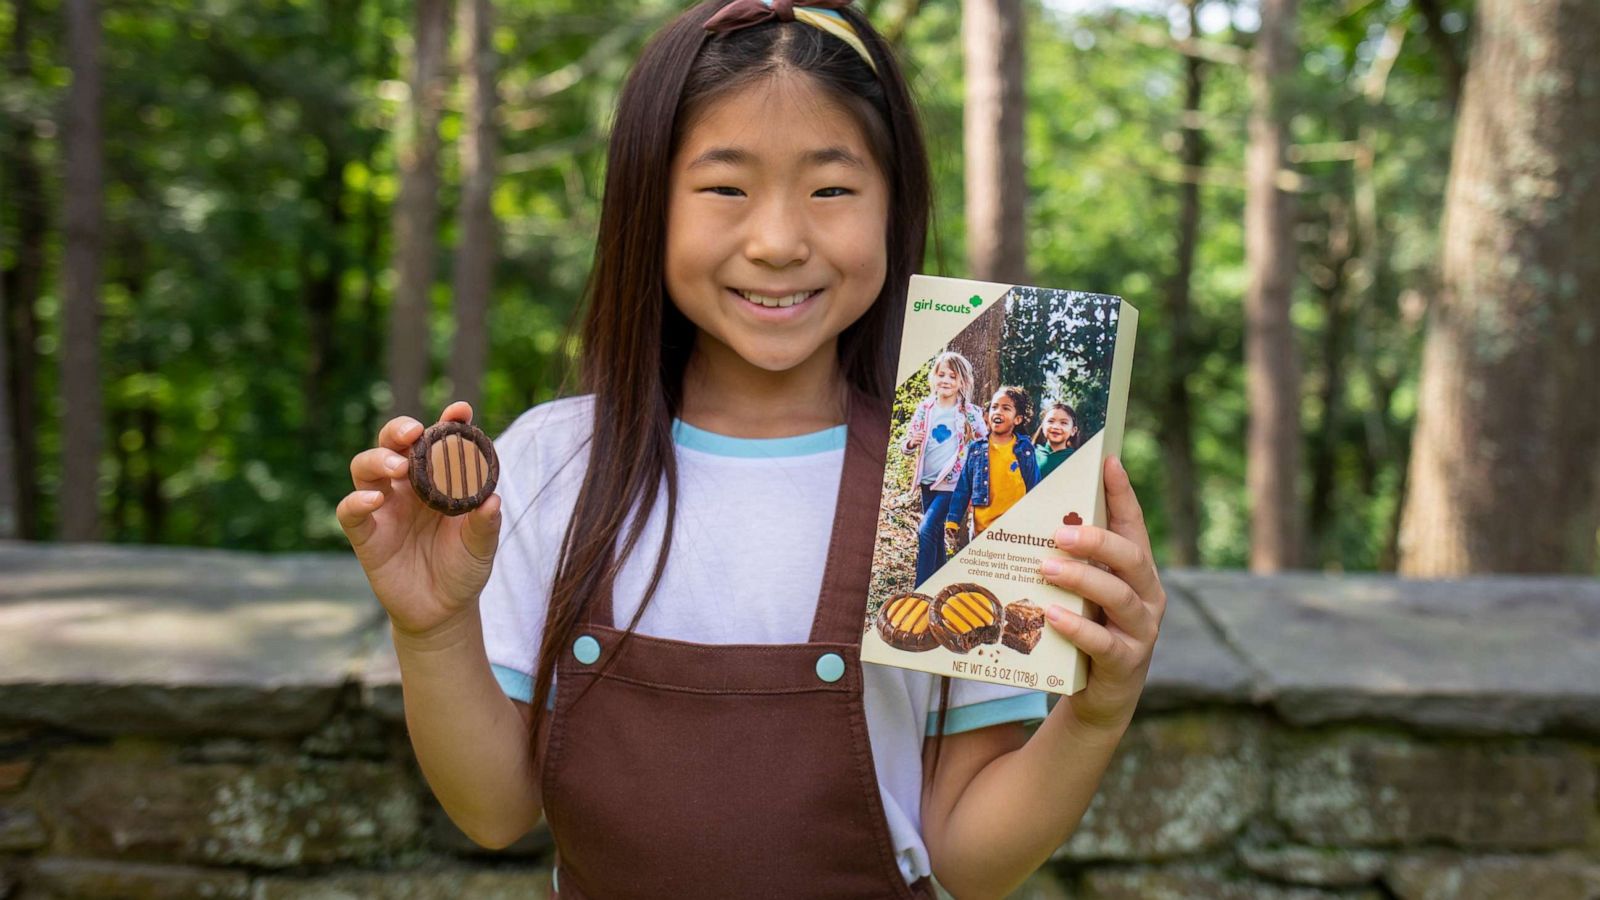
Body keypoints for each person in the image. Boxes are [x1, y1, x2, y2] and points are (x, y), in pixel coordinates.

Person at [337, 1, 1166, 895]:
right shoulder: (550, 464)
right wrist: (431, 630)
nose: (778, 241)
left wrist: (1094, 715)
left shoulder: (951, 489)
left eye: (832, 189)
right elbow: (494, 809)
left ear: (895, 209)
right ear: (646, 208)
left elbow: (969, 858)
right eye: (726, 188)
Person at [901, 351, 987, 587]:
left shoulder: (968, 411)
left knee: (926, 530)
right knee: (935, 535)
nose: (946, 380)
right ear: (934, 377)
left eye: (953, 376)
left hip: (953, 483)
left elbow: (984, 440)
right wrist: (911, 442)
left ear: (962, 382)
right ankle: (941, 586)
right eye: (942, 374)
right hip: (927, 481)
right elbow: (906, 444)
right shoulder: (925, 408)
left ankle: (920, 590)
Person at [946, 386, 1039, 541]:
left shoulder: (1025, 449)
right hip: (982, 530)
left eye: (1006, 408)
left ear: (1018, 419)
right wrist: (953, 520)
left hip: (1015, 531)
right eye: (994, 407)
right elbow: (963, 487)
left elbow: (1034, 485)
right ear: (987, 415)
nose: (998, 411)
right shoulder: (976, 449)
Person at [1034, 401, 1082, 481]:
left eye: (1063, 423)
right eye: (1051, 421)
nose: (1056, 426)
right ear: (1042, 426)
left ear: (1073, 430)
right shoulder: (1031, 455)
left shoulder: (1077, 459)